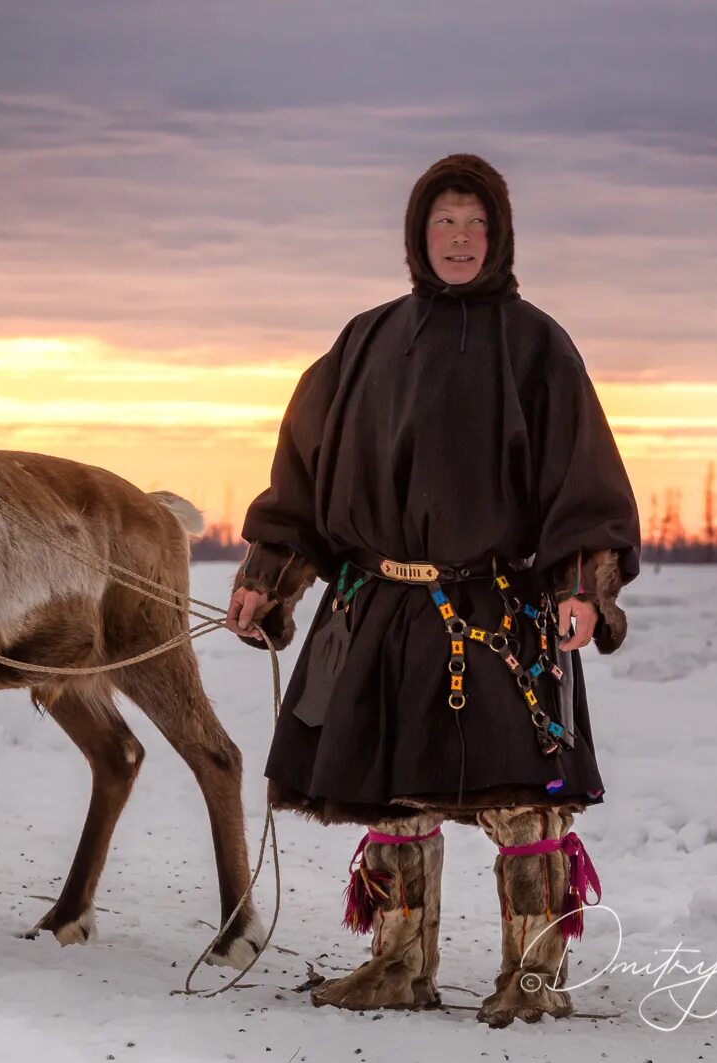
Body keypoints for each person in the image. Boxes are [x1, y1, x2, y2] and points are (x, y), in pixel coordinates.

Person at [225, 154, 640, 1025]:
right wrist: (271, 578)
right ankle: (398, 964)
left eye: (475, 225)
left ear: (500, 238)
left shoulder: (536, 345)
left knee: (521, 798)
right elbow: (303, 472)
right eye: (444, 223)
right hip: (377, 604)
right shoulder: (367, 339)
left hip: (497, 607)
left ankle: (534, 973)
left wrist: (581, 586)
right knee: (396, 793)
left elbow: (582, 479)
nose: (459, 239)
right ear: (418, 235)